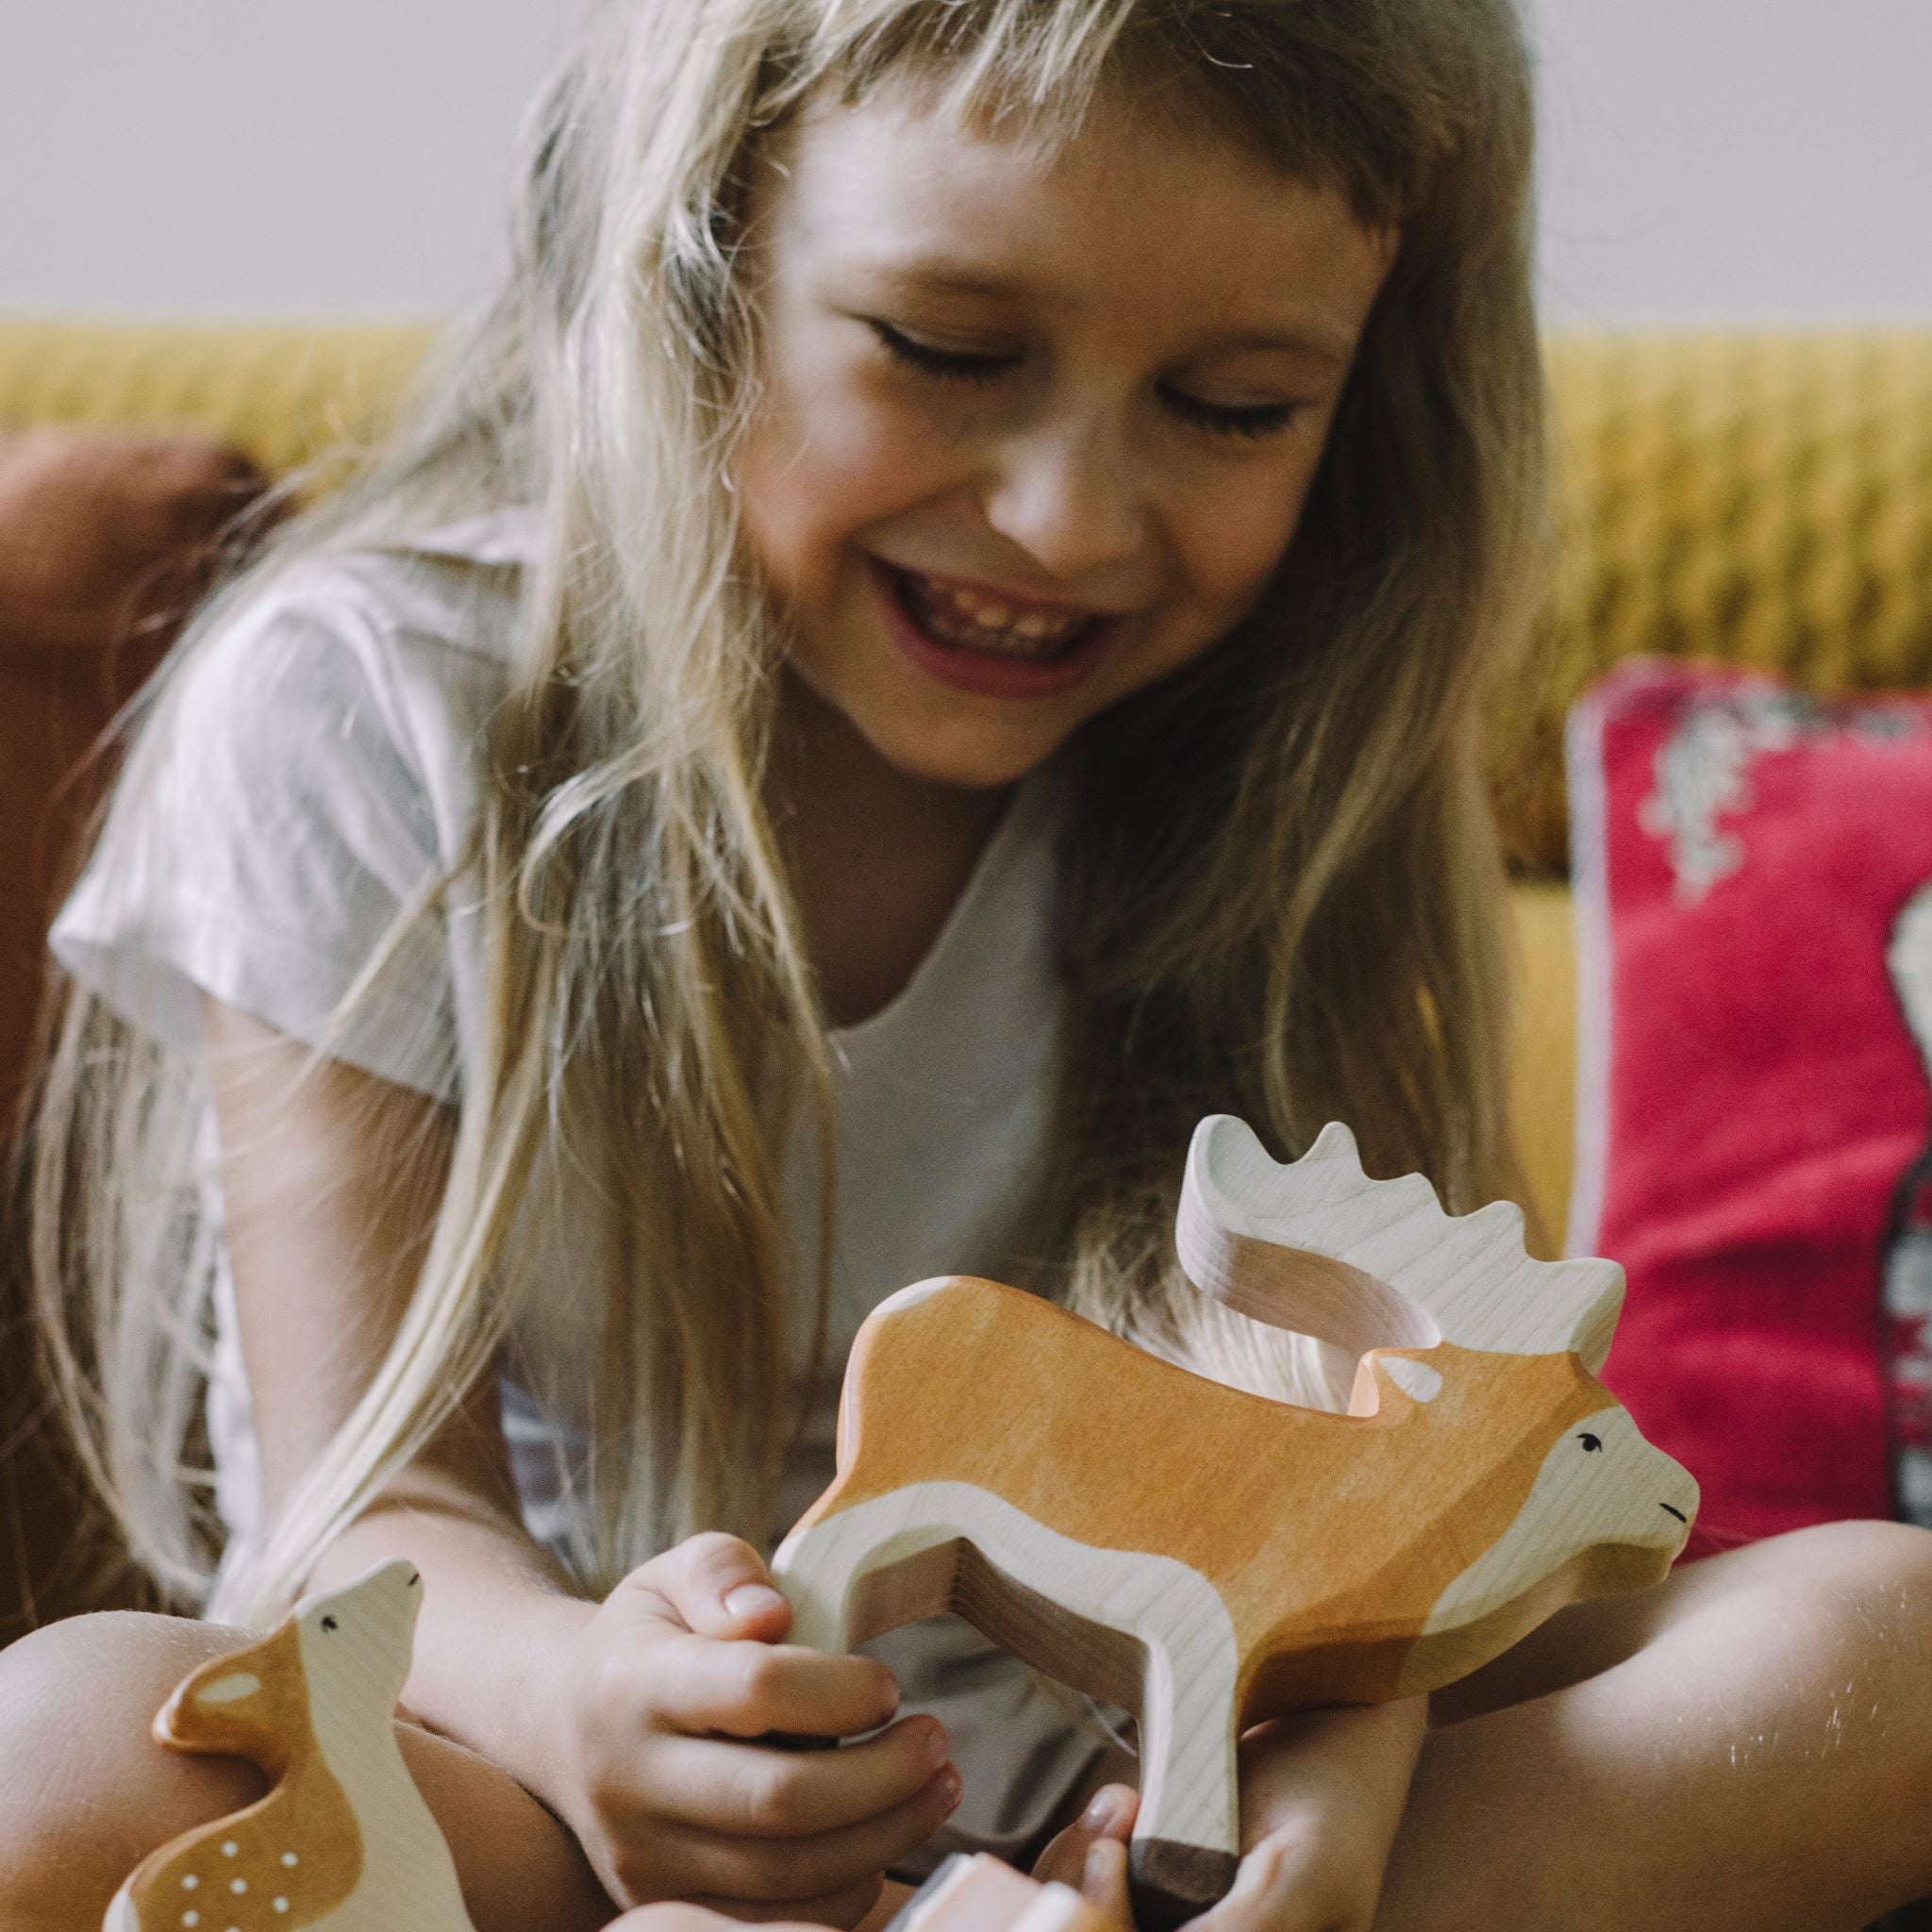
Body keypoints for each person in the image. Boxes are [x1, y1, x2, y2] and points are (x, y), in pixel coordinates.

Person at [4, 0, 1931, 1926]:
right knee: (63, 1748)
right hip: (556, 1804)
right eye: (944, 350)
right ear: (693, 249)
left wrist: (1319, 1821)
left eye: (1236, 403)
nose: (1066, 515)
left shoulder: (1285, 770)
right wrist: (596, 1704)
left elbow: (1373, 1514)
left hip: (1138, 1799)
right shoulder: (368, 712)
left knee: (1880, 1643)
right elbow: (366, 1509)